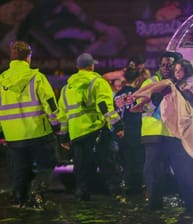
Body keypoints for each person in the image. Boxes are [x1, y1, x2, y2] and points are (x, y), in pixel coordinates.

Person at [133, 52, 193, 212]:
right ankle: (154, 208)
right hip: (154, 136)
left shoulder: (186, 84)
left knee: (186, 174)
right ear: (158, 67)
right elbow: (140, 103)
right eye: (163, 65)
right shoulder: (152, 82)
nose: (166, 68)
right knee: (153, 176)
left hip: (177, 136)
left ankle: (192, 208)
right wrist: (158, 95)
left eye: (170, 65)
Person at [0, 41, 59, 208]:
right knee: (47, 164)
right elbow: (50, 104)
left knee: (20, 170)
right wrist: (56, 126)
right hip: (38, 132)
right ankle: (37, 194)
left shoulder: (1, 80)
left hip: (13, 136)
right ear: (28, 57)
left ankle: (18, 199)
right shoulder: (37, 78)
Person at [57, 53, 124, 201]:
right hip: (96, 129)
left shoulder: (66, 88)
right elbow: (104, 106)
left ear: (77, 67)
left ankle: (82, 195)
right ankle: (117, 194)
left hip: (76, 134)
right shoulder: (98, 82)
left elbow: (62, 115)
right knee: (109, 163)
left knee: (81, 167)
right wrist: (117, 125)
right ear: (91, 66)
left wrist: (63, 136)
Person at [114, 68, 145, 195]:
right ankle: (139, 187)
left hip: (122, 130)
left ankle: (129, 187)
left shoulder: (117, 95)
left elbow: (114, 114)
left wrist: (118, 129)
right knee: (139, 160)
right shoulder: (138, 93)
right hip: (136, 129)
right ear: (137, 79)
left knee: (127, 161)